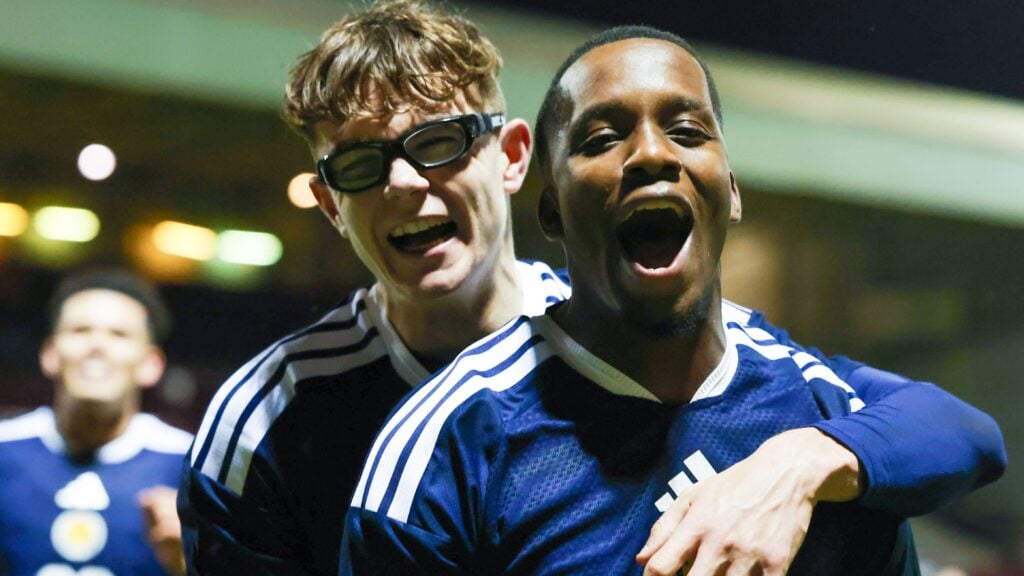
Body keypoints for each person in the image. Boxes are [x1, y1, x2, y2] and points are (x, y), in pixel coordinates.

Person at [179, 3, 1003, 574]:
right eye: (362, 166)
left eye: (438, 144)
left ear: (511, 159)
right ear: (329, 205)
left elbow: (954, 429)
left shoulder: (657, 331)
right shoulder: (269, 419)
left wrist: (796, 462)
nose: (403, 184)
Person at [0, 269, 191, 575]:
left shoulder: (189, 464)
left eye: (119, 334)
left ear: (151, 364)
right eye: (80, 330)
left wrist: (188, 563)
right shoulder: (5, 449)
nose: (97, 345)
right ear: (50, 354)